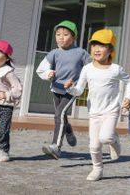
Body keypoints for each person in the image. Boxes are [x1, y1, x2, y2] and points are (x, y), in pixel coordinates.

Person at [64, 29, 130, 181]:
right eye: (94, 45)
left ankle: (114, 140)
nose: (96, 49)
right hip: (94, 113)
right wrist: (69, 87)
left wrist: (128, 97)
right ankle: (97, 169)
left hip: (111, 111)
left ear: (110, 50)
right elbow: (78, 90)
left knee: (105, 136)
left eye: (102, 45)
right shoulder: (87, 69)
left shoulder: (116, 69)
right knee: (94, 145)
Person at [36, 20, 91, 160]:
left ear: (74, 38)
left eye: (65, 34)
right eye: (58, 34)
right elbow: (41, 68)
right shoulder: (54, 53)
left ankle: (56, 146)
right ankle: (68, 130)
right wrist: (48, 73)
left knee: (59, 114)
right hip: (56, 88)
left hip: (71, 89)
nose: (61, 37)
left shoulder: (81, 53)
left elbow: (91, 68)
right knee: (61, 115)